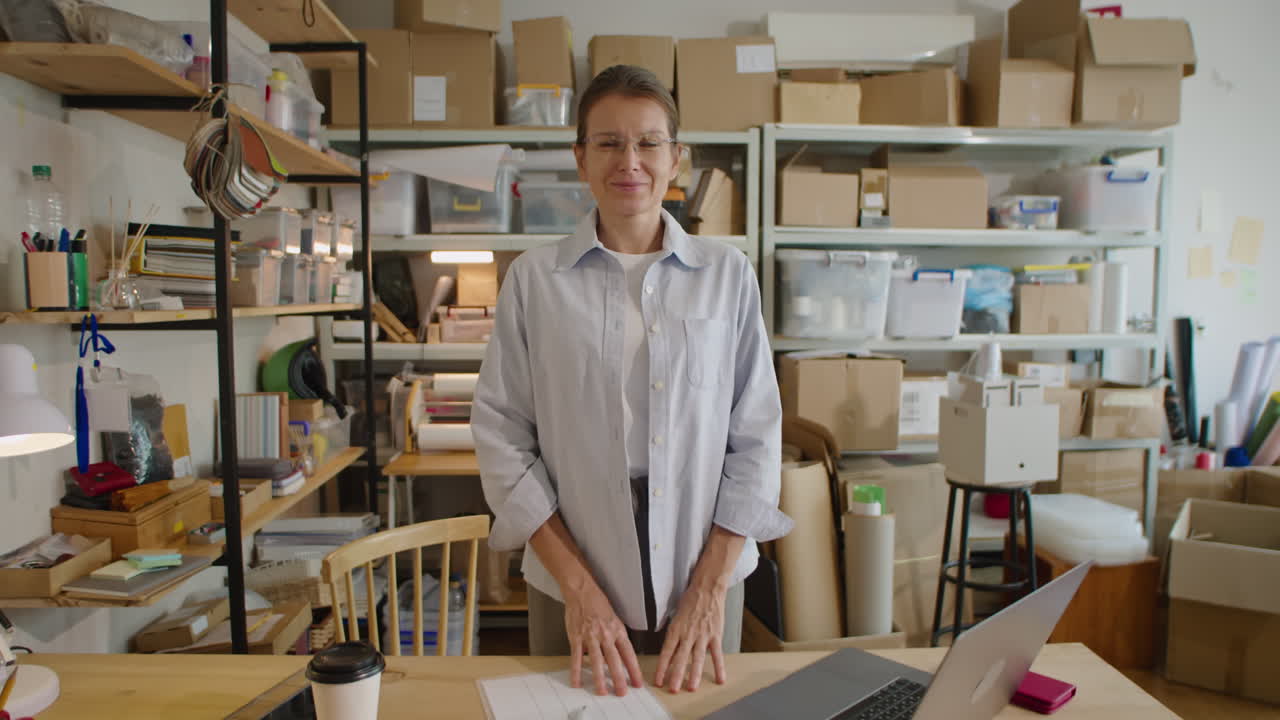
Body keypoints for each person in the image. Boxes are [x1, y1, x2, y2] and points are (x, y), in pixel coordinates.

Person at [472, 65, 791, 698]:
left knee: (699, 709)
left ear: (677, 158)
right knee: (574, 711)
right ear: (580, 158)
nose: (630, 161)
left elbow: (756, 435)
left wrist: (709, 589)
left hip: (704, 562)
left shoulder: (726, 275)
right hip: (572, 564)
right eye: (609, 142)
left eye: (648, 142)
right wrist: (579, 589)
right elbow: (502, 437)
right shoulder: (535, 281)